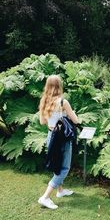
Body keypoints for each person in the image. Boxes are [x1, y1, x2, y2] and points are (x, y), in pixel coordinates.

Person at [38, 74, 79, 209]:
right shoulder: (63, 102)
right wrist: (73, 114)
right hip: (62, 139)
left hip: (51, 136)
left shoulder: (44, 101)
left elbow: (42, 121)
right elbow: (76, 121)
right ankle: (45, 197)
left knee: (56, 164)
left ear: (47, 86)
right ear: (59, 85)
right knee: (64, 168)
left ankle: (60, 191)